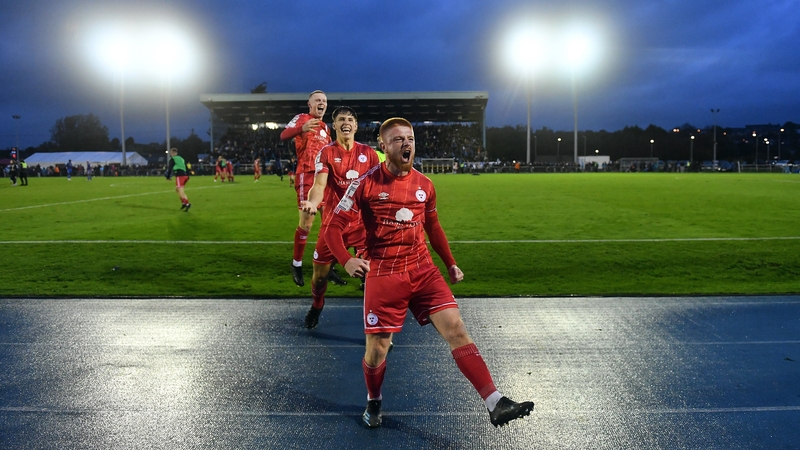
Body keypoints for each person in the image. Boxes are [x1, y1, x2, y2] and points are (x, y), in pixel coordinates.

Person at [323, 118, 534, 429]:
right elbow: (332, 228)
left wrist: (450, 263)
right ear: (383, 147)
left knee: (456, 329)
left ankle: (495, 402)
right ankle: (374, 399)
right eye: (398, 139)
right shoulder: (364, 184)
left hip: (422, 268)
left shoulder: (425, 185)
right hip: (384, 272)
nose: (406, 144)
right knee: (378, 349)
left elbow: (433, 228)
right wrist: (346, 260)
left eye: (409, 138)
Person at [300, 106, 380, 329]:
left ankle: (377, 326)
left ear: (356, 126)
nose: (346, 122)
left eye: (350, 119)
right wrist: (312, 203)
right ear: (334, 125)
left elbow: (378, 188)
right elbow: (319, 186)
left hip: (362, 227)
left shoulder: (370, 154)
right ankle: (317, 304)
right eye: (341, 119)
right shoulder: (326, 153)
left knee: (373, 276)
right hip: (333, 227)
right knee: (319, 278)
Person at [280, 90, 331, 287]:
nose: (321, 102)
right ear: (310, 104)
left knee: (329, 224)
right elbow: (283, 135)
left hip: (325, 178)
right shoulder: (302, 118)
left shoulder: (326, 128)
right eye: (317, 100)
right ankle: (297, 264)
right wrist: (301, 128)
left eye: (324, 100)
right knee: (307, 223)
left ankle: (326, 265)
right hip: (307, 174)